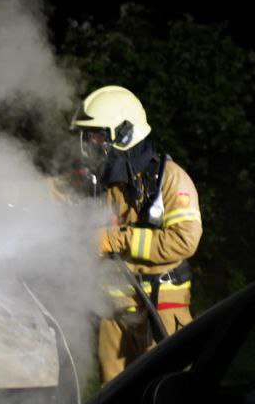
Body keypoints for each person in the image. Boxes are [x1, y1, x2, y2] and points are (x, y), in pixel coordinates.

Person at [71, 86, 202, 386]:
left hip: (160, 311)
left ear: (125, 134)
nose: (89, 146)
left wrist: (114, 239)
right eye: (87, 137)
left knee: (163, 394)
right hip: (114, 314)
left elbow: (185, 240)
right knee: (111, 398)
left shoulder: (169, 179)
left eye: (97, 137)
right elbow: (54, 190)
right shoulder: (106, 183)